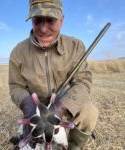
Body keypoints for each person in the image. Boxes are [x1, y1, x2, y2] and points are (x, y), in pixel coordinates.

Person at [9, 0, 98, 149]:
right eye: (37, 21)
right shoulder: (18, 52)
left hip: (64, 101)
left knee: (89, 113)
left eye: (50, 20)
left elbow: (83, 82)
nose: (43, 29)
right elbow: (16, 86)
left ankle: (73, 146)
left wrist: (60, 108)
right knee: (31, 141)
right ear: (32, 20)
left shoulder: (75, 46)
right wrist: (29, 107)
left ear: (61, 20)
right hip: (36, 104)